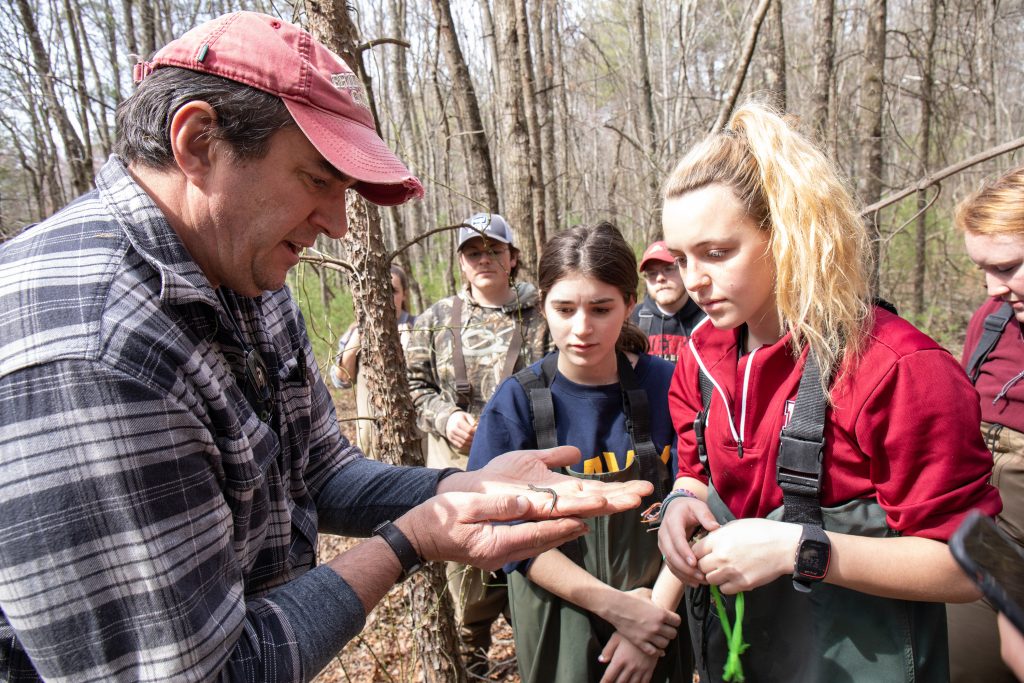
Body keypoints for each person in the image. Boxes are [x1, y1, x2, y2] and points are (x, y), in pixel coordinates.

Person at [0, 13, 652, 682]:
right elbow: (202, 673)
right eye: (318, 180)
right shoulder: (93, 347)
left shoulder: (246, 272)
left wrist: (461, 485)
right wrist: (410, 539)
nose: (339, 225)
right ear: (198, 143)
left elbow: (320, 470)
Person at [655, 102, 1002, 682]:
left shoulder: (897, 369)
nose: (693, 280)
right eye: (682, 257)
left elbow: (971, 567)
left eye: (717, 253)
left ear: (788, 235)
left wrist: (802, 550)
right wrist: (679, 503)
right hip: (742, 652)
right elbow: (698, 470)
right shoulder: (700, 357)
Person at [467, 222, 690, 683]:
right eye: (564, 309)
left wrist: (651, 619)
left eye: (601, 308)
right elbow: (501, 533)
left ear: (631, 304)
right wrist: (619, 608)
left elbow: (701, 499)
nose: (582, 328)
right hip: (558, 619)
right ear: (543, 303)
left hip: (660, 612)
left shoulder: (671, 386)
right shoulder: (517, 402)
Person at [406, 212, 549, 671]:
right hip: (459, 478)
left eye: (494, 250)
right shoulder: (436, 320)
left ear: (513, 259)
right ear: (462, 263)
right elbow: (411, 384)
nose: (483, 259)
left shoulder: (545, 315)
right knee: (466, 595)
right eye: (473, 252)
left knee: (535, 588)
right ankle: (474, 669)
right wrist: (444, 417)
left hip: (528, 473)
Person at [947, 165, 1024, 683]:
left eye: (1008, 266)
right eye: (983, 270)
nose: (992, 288)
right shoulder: (993, 321)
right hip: (976, 531)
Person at [330, 265, 417, 453]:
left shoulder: (419, 327)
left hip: (416, 440)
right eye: (380, 290)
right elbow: (340, 380)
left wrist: (410, 348)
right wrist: (354, 346)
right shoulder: (357, 330)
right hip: (373, 444)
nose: (386, 297)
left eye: (392, 291)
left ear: (404, 294)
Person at [630, 240, 705, 362]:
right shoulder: (633, 321)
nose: (660, 278)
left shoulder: (708, 318)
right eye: (652, 273)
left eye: (669, 269)